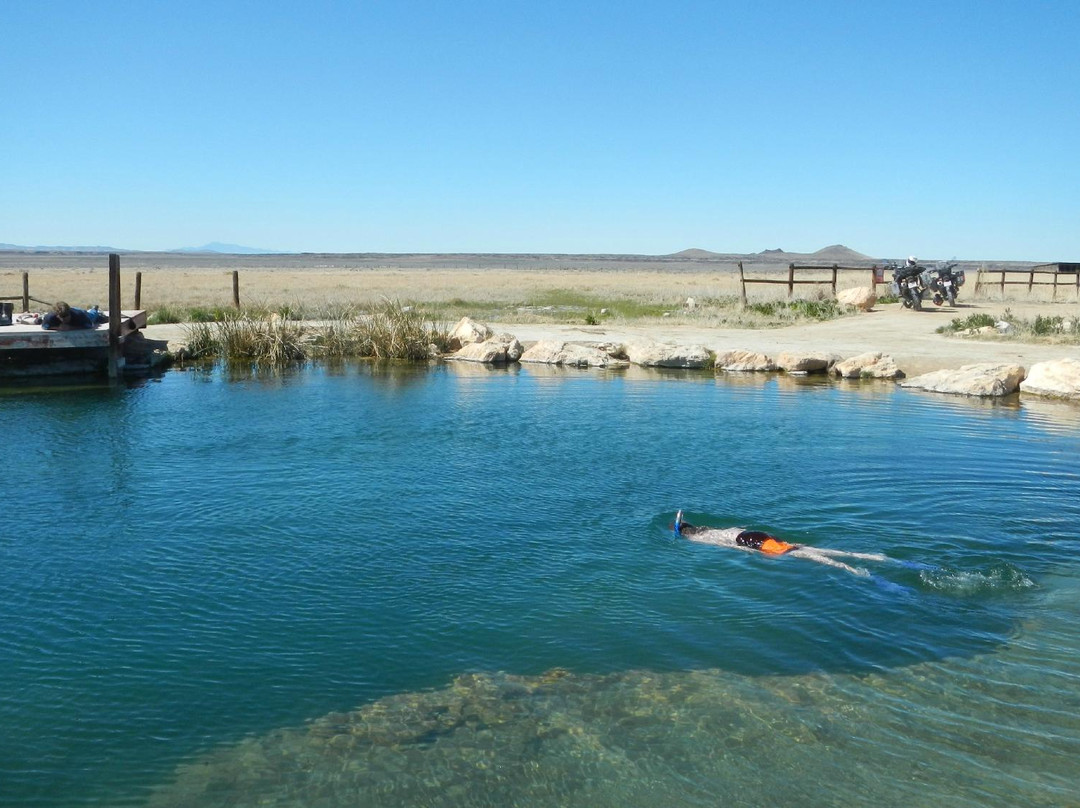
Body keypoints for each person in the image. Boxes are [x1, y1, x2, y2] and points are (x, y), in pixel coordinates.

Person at [672, 510, 889, 577]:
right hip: (759, 536)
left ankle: (856, 571)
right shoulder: (710, 530)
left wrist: (756, 554)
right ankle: (873, 557)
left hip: (758, 544)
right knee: (807, 550)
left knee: (816, 558)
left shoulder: (700, 539)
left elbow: (731, 547)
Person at [41, 302, 106, 330]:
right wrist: (57, 328)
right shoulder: (50, 317)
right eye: (62, 318)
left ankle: (94, 308)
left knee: (92, 315)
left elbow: (90, 325)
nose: (65, 320)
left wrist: (71, 328)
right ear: (57, 316)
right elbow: (44, 326)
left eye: (67, 317)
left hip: (82, 313)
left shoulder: (79, 315)